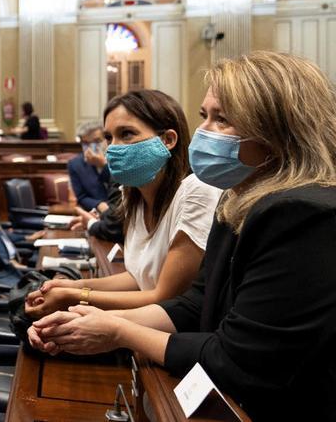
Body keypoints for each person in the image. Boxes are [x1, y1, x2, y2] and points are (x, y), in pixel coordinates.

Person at [27, 52, 336, 421]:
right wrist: (84, 316)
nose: (204, 131)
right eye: (204, 115)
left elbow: (238, 359)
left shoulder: (305, 213)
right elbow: (195, 304)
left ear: (278, 128)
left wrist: (118, 331)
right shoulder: (237, 198)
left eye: (221, 118)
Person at [25, 90, 221, 319]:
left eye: (126, 134)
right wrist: (72, 287)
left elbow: (164, 297)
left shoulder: (197, 191)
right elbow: (136, 278)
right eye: (108, 138)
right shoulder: (133, 196)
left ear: (168, 140)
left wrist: (77, 296)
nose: (113, 148)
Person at [68, 122, 110, 212]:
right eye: (86, 143)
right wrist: (99, 204)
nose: (91, 147)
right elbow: (81, 197)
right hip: (94, 213)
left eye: (97, 141)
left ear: (106, 140)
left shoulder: (117, 158)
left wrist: (103, 165)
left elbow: (122, 186)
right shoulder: (75, 164)